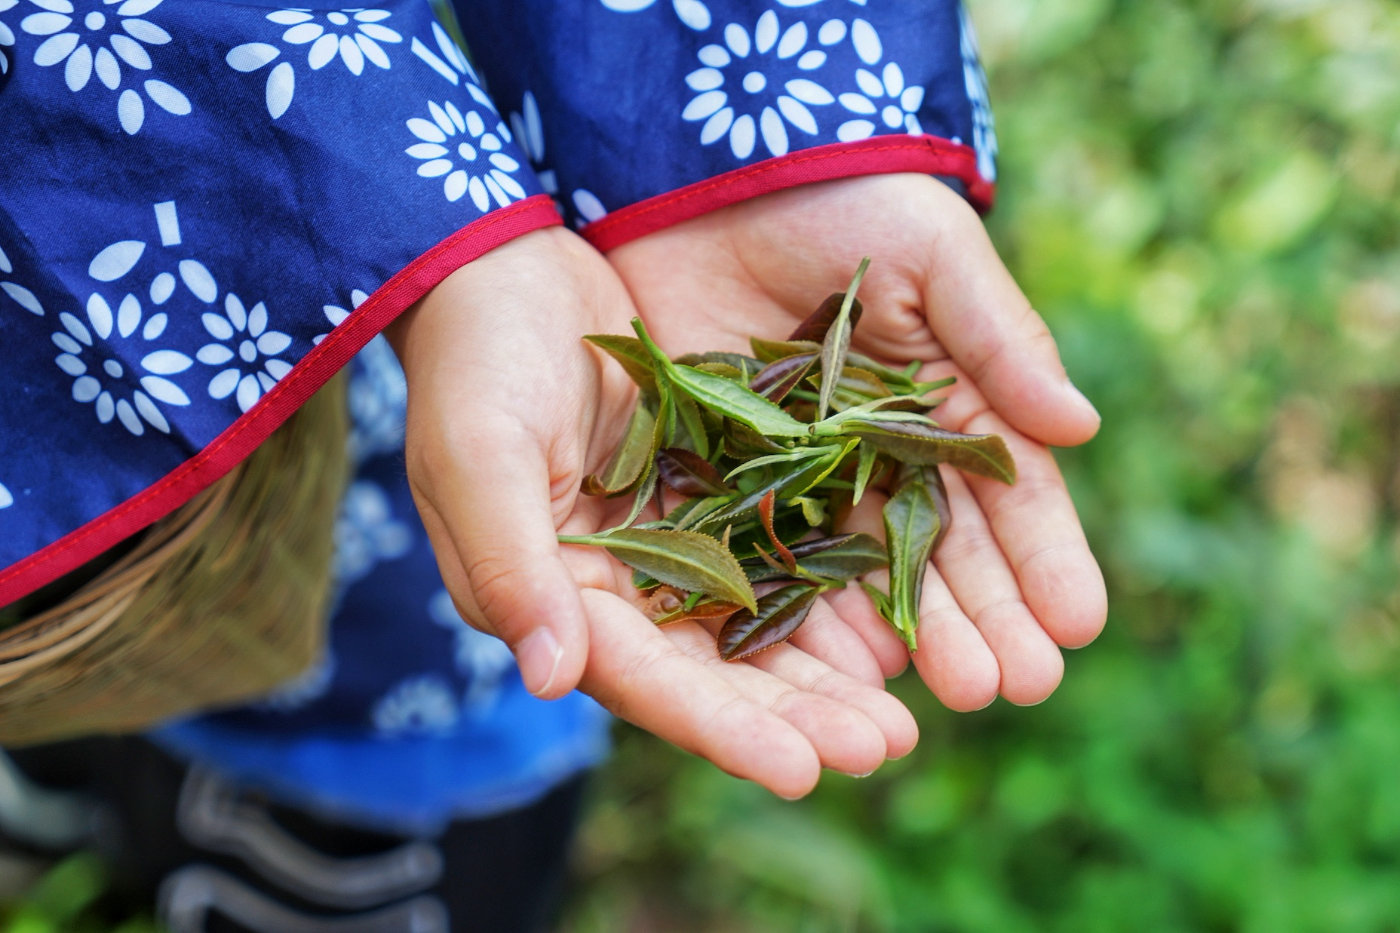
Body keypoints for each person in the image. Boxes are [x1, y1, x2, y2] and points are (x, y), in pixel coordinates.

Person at [0, 0, 1104, 929]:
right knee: (98, 703)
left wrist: (759, 141)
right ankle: (65, 787)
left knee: (436, 610)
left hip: (362, 470)